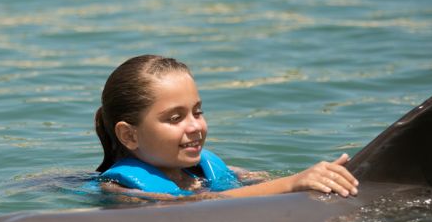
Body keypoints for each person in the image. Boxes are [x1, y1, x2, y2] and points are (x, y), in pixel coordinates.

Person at [94, 55, 359, 199]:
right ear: (129, 135)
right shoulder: (122, 191)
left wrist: (318, 179)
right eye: (175, 118)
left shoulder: (200, 171)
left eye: (198, 112)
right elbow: (196, 207)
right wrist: (293, 183)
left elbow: (261, 180)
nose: (195, 126)